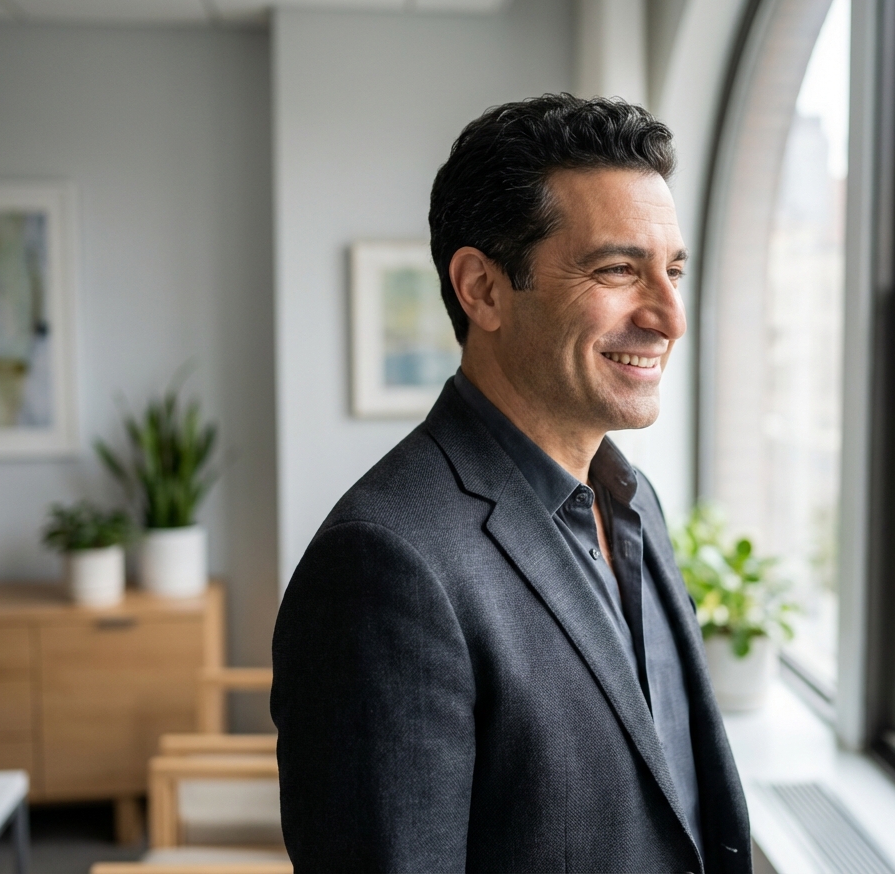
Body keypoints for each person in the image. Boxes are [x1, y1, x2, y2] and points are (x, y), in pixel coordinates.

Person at [271, 94, 751, 873]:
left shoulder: (635, 503)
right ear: (483, 289)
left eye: (673, 272)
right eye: (619, 270)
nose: (669, 316)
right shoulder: (383, 567)